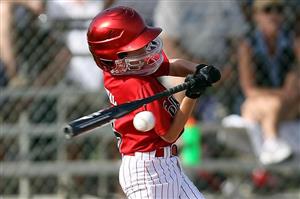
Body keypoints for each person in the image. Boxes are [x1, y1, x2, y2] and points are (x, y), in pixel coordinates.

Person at [86, 6, 220, 198]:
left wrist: (198, 69)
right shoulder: (138, 86)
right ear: (115, 58)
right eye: (135, 48)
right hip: (150, 173)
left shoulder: (127, 68)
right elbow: (171, 134)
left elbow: (169, 65)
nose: (144, 49)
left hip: (164, 166)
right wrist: (192, 95)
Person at [154, 0, 249, 113]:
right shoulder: (173, 2)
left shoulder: (228, 2)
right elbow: (168, 43)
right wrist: (199, 69)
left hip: (222, 68)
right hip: (185, 66)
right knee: (180, 82)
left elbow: (238, 40)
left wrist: (230, 66)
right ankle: (182, 126)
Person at [237, 0, 300, 165]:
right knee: (273, 104)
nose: (274, 15)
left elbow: (294, 86)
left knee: (286, 103)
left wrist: (286, 94)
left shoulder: (291, 42)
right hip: (253, 105)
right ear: (256, 16)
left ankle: (271, 149)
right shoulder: (248, 45)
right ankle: (271, 143)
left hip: (286, 104)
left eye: (279, 10)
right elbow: (250, 90)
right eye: (267, 10)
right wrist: (282, 94)